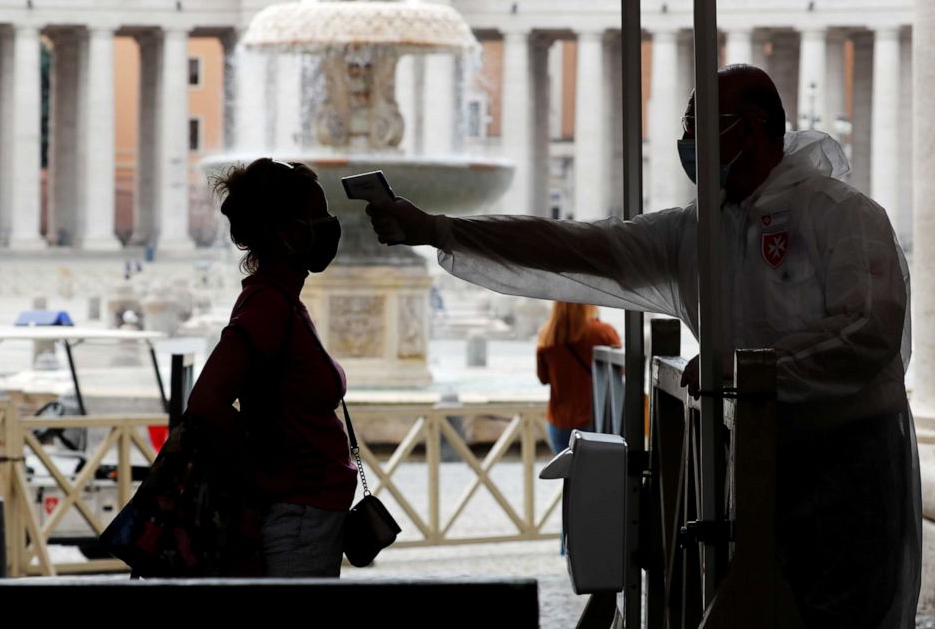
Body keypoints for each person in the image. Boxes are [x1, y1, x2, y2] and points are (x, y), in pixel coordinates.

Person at [365, 65, 922, 628]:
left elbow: (868, 331)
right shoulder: (698, 232)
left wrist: (751, 372)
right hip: (749, 469)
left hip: (849, 468)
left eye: (698, 125)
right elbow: (579, 246)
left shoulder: (845, 216)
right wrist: (440, 229)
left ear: (753, 127)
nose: (686, 142)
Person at [186, 158, 357, 578]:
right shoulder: (267, 307)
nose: (329, 225)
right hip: (296, 516)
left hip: (308, 511)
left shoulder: (281, 302)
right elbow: (206, 402)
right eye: (318, 215)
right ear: (285, 231)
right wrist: (260, 478)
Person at [536, 301, 621, 454]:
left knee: (567, 476)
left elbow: (543, 378)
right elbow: (621, 371)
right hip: (593, 420)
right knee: (594, 475)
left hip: (559, 421)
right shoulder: (603, 332)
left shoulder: (547, 335)